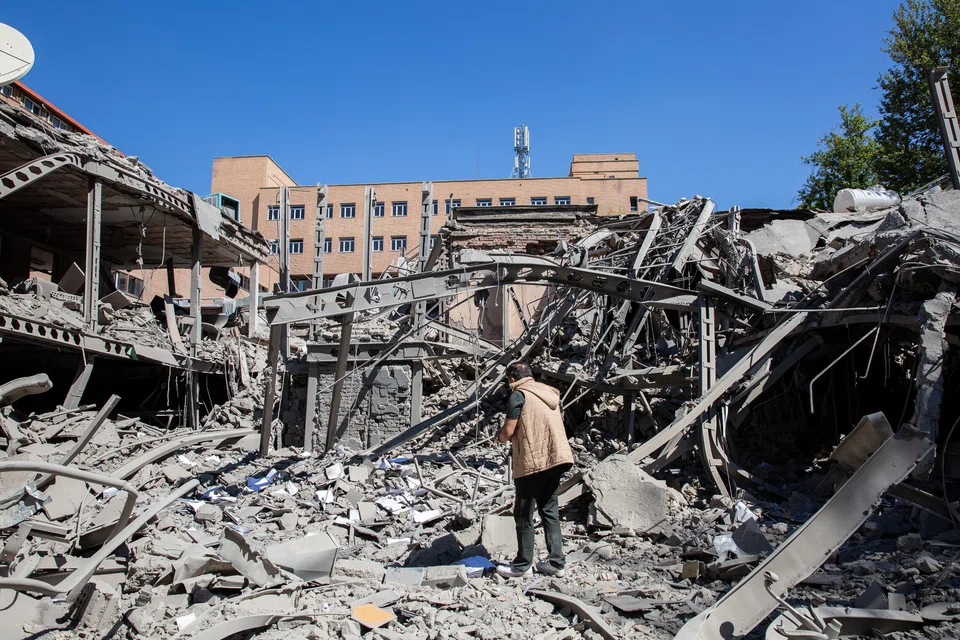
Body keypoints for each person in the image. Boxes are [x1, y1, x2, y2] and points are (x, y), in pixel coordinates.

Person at [494, 362, 574, 578]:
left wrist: (499, 437)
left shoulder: (519, 395)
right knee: (549, 510)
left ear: (512, 379)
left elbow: (509, 429)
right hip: (557, 458)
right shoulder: (549, 393)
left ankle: (522, 565)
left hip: (533, 461)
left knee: (523, 513)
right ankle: (557, 563)